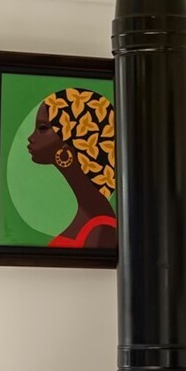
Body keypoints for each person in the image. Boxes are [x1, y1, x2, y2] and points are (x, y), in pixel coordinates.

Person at [26, 87, 116, 250]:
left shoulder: (102, 230)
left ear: (73, 137)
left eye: (43, 128)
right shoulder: (89, 214)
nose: (31, 138)